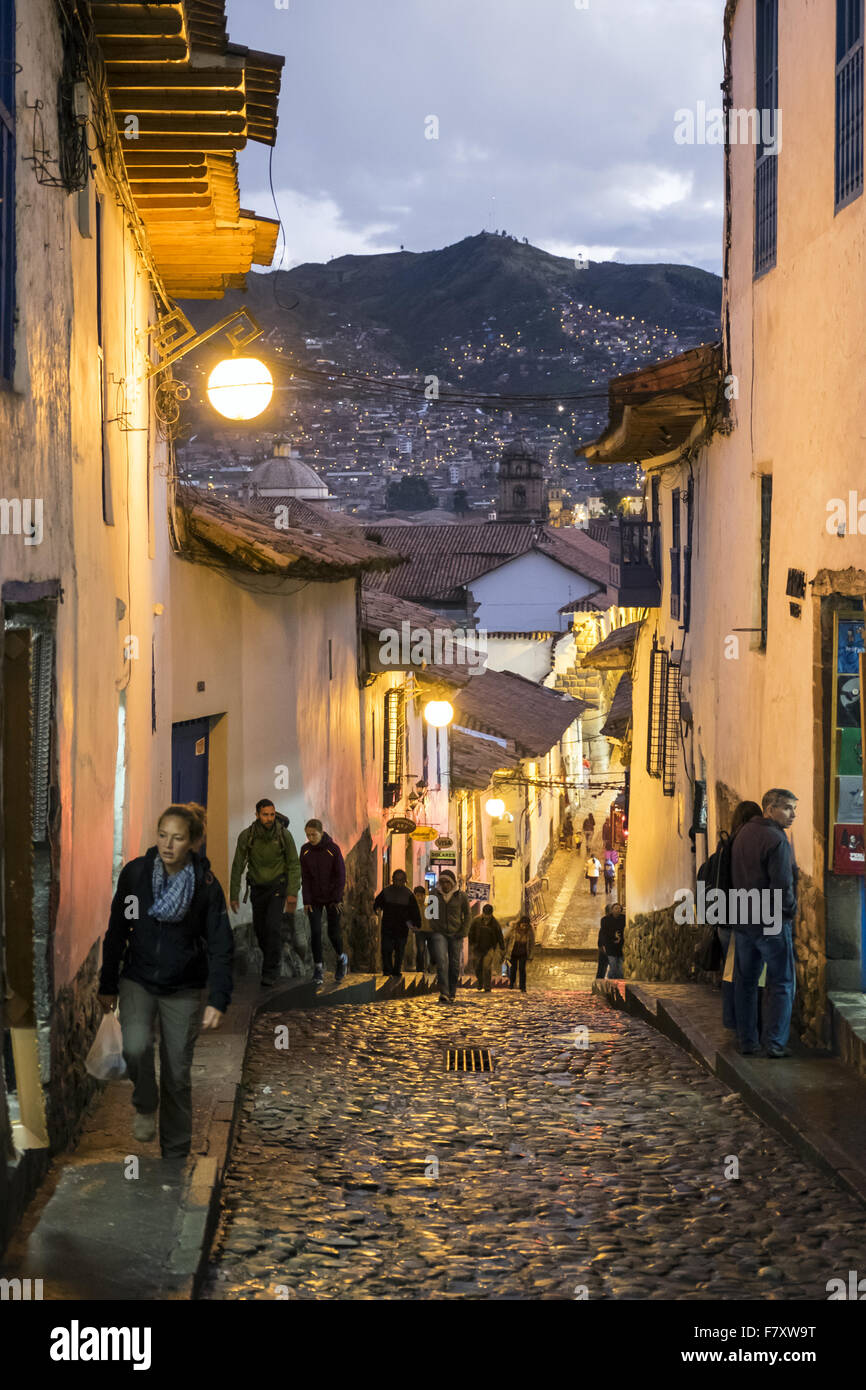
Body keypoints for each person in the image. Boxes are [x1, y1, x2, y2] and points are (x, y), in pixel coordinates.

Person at [97, 804, 232, 1159]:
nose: (168, 845)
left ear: (193, 843)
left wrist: (218, 998)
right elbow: (118, 929)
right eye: (162, 836)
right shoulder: (136, 875)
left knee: (177, 1073)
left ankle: (175, 1153)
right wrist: (107, 982)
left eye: (178, 838)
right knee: (135, 1047)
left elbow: (221, 944)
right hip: (138, 979)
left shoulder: (205, 887)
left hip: (183, 987)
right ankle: (144, 1102)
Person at [730, 788, 798, 1058]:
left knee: (745, 982)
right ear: (769, 809)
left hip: (743, 918)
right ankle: (775, 1043)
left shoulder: (742, 834)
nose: (793, 815)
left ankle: (747, 1041)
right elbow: (782, 885)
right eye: (788, 808)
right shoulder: (776, 839)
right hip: (770, 921)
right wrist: (789, 912)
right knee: (781, 981)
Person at [699, 800, 762, 1031]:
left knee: (730, 972)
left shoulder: (725, 845)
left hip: (724, 920)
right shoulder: (746, 845)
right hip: (743, 920)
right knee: (746, 974)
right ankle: (745, 1022)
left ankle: (731, 1018)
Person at [230, 799, 300, 988]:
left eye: (271, 814)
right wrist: (234, 894)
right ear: (257, 815)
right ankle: (271, 959)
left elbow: (294, 864)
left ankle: (270, 970)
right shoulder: (248, 836)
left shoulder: (284, 835)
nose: (269, 818)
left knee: (273, 927)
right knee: (260, 930)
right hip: (257, 888)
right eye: (265, 814)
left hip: (278, 887)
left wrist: (292, 892)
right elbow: (237, 865)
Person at [299, 819, 348, 985]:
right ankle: (318, 968)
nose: (311, 838)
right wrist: (306, 900)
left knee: (333, 933)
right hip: (314, 899)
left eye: (313, 834)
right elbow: (304, 877)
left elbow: (340, 875)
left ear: (321, 832)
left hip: (332, 899)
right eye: (308, 835)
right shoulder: (305, 851)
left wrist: (337, 898)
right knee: (316, 932)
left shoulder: (333, 849)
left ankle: (341, 958)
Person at [427, 870, 470, 1004]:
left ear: (452, 883)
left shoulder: (461, 896)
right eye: (442, 882)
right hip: (439, 933)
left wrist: (463, 931)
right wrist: (434, 927)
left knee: (454, 964)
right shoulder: (434, 894)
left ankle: (452, 992)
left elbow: (467, 915)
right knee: (442, 961)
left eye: (447, 882)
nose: (445, 885)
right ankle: (444, 992)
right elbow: (430, 912)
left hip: (456, 933)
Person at [374, 869, 421, 976]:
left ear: (404, 881)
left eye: (400, 880)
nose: (398, 882)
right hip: (387, 926)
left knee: (399, 950)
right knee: (386, 949)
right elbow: (378, 902)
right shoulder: (386, 891)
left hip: (401, 928)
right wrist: (375, 908)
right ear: (393, 880)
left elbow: (414, 911)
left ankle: (396, 970)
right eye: (396, 880)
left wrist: (417, 924)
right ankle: (387, 969)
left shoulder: (408, 894)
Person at [469, 904, 506, 991]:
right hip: (477, 947)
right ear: (483, 913)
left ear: (491, 914)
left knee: (486, 967)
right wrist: (472, 944)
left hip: (489, 948)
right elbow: (471, 932)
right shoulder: (476, 920)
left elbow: (499, 935)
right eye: (486, 914)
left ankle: (487, 986)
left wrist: (502, 946)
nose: (487, 917)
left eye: (489, 915)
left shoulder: (495, 923)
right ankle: (480, 982)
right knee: (477, 966)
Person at [597, 902, 625, 979]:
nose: (617, 910)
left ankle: (616, 983)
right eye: (615, 908)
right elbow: (603, 934)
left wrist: (620, 939)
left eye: (619, 908)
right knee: (611, 967)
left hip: (620, 947)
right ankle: (610, 982)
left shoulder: (623, 919)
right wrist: (602, 945)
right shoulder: (605, 920)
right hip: (609, 947)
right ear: (611, 910)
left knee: (619, 968)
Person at [508, 915, 535, 992]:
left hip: (523, 952)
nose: (524, 927)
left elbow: (532, 944)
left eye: (526, 925)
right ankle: (512, 984)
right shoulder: (513, 929)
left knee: (522, 969)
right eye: (523, 925)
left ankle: (522, 986)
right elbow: (507, 939)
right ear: (520, 924)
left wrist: (531, 955)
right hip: (513, 951)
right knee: (513, 969)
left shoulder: (530, 931)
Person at [412, 884, 434, 971]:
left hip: (431, 931)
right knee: (420, 951)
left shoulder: (429, 903)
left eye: (421, 895)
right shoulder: (413, 905)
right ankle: (420, 969)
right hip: (420, 931)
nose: (420, 897)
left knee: (432, 951)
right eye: (417, 895)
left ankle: (431, 968)